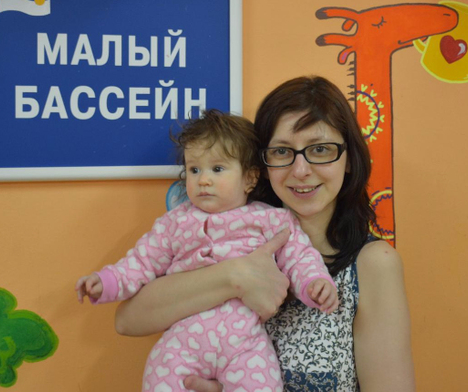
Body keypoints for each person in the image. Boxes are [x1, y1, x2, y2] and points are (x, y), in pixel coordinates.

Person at [114, 76, 415, 392]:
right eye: (282, 151)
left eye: (320, 149)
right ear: (259, 167)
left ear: (349, 158)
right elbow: (127, 320)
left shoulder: (372, 263)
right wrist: (235, 275)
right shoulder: (220, 237)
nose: (301, 170)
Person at [75, 109, 339, 391]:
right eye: (194, 170)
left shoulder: (271, 220)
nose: (203, 180)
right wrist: (106, 282)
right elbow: (140, 263)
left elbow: (299, 257)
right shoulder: (174, 223)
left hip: (245, 343)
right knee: (160, 377)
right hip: (182, 341)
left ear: (250, 178)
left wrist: (314, 283)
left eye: (217, 169)